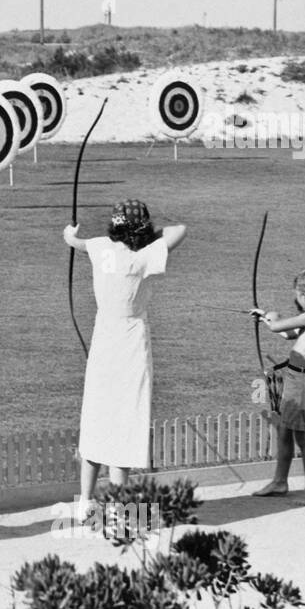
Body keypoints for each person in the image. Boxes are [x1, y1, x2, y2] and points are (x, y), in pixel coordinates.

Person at [64, 200, 187, 521]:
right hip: (131, 340)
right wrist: (150, 235)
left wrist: (71, 232)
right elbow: (180, 230)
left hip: (103, 337)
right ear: (141, 229)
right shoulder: (143, 256)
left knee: (95, 418)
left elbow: (72, 240)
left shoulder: (100, 245)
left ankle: (86, 503)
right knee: (125, 421)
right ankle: (119, 508)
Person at [251, 271, 305, 504]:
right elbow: (288, 334)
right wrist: (266, 317)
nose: (297, 302)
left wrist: (269, 316)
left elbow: (276, 327)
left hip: (301, 382)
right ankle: (280, 481)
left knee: (302, 437)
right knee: (285, 431)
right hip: (297, 379)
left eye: (298, 298)